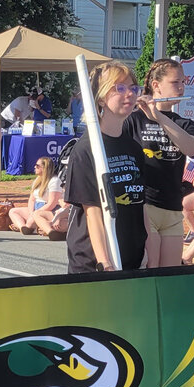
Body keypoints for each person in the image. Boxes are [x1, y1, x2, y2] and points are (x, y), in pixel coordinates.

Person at [65, 61, 149, 274]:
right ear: (101, 97)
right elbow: (92, 212)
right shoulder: (85, 150)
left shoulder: (133, 148)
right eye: (119, 88)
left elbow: (141, 206)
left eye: (133, 88)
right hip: (95, 264)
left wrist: (150, 255)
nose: (129, 94)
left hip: (130, 260)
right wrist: (106, 263)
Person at [128, 58, 194, 267]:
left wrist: (159, 116)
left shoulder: (183, 123)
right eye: (175, 82)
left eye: (183, 82)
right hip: (145, 205)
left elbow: (191, 149)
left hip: (172, 206)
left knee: (170, 272)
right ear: (156, 85)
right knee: (150, 268)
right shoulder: (135, 119)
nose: (181, 87)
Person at [8, 156, 56, 233]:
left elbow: (51, 204)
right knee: (13, 211)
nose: (34, 167)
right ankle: (22, 228)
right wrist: (31, 213)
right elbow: (32, 199)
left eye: (37, 166)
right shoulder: (37, 180)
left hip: (46, 210)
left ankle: (31, 227)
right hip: (35, 207)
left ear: (44, 168)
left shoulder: (54, 181)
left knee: (30, 223)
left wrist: (35, 214)